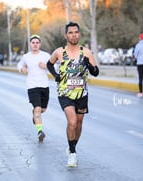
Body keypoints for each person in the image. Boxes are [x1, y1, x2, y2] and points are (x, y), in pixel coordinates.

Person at [46, 22, 99, 167]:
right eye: (70, 32)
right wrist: (55, 75)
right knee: (72, 122)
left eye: (76, 32)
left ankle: (71, 146)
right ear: (66, 35)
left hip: (82, 93)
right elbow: (49, 64)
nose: (74, 35)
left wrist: (88, 64)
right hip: (65, 92)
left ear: (79, 34)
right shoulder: (59, 52)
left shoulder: (86, 52)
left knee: (79, 123)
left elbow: (96, 72)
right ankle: (73, 154)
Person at [17, 34, 50, 142]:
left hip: (44, 85)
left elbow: (54, 67)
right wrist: (22, 68)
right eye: (33, 43)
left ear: (40, 44)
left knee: (42, 109)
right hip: (32, 86)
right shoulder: (26, 57)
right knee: (37, 109)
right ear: (30, 44)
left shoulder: (46, 56)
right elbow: (19, 64)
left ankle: (35, 115)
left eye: (37, 43)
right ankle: (40, 131)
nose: (35, 44)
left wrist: (46, 66)